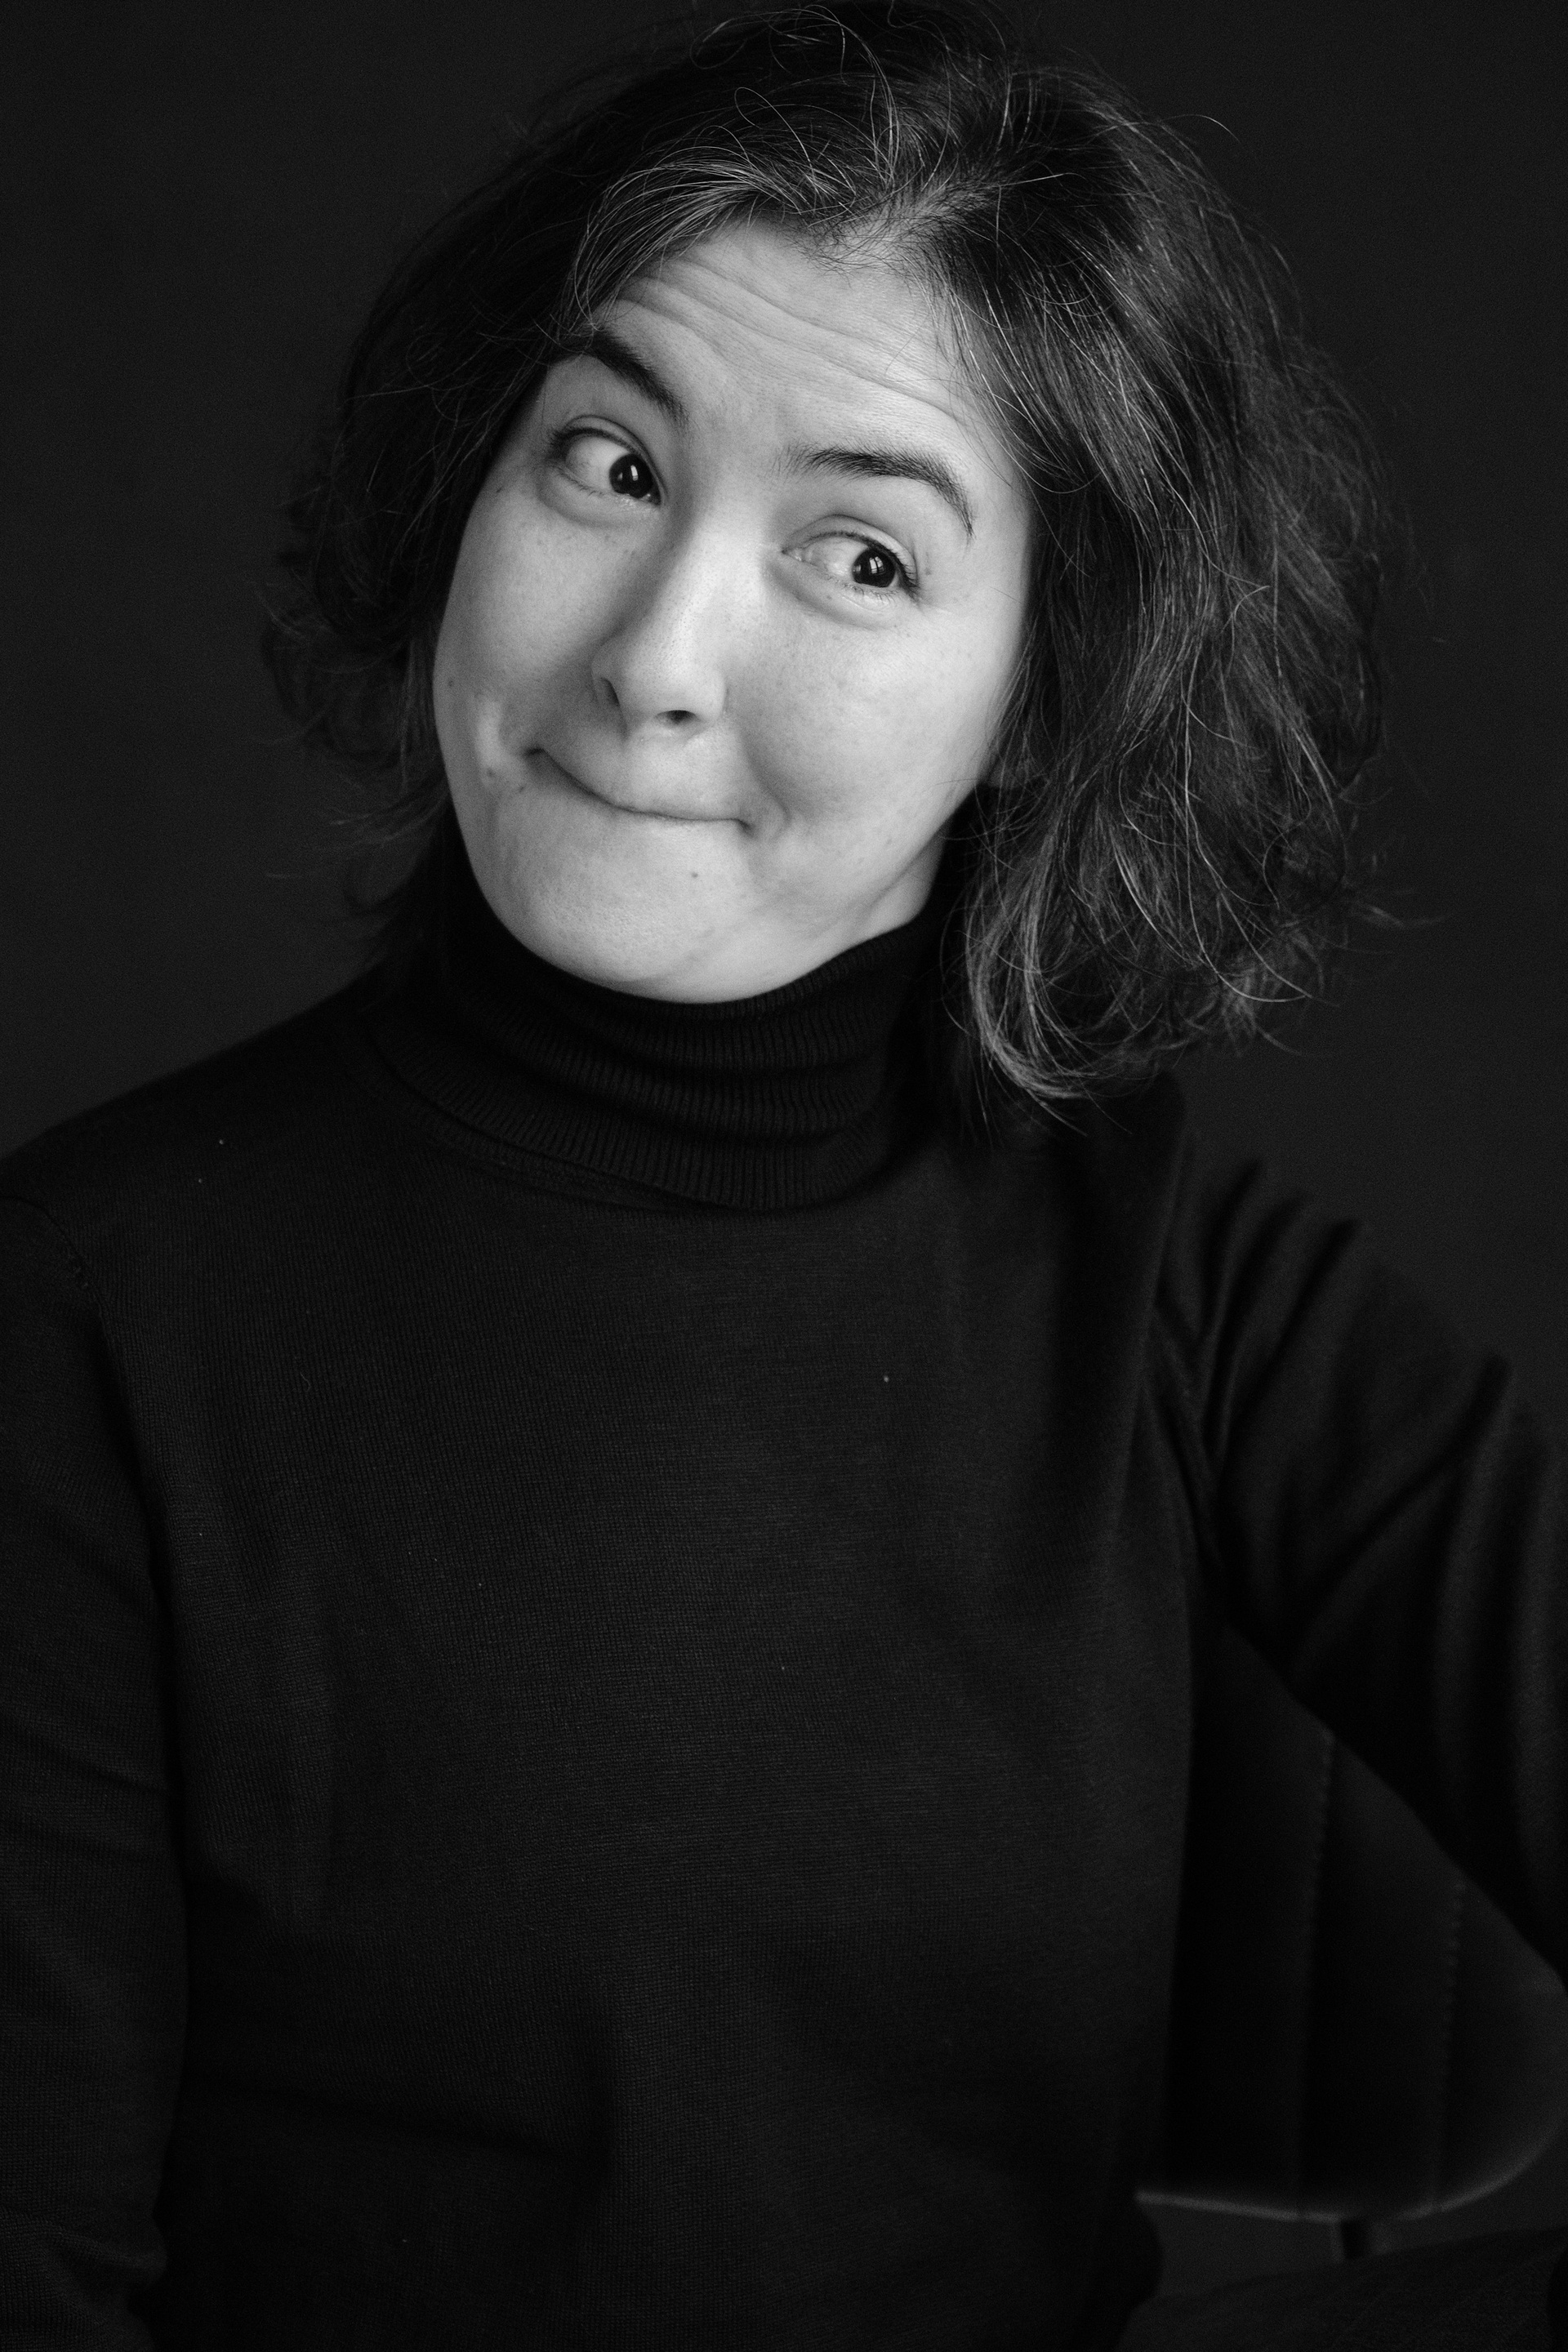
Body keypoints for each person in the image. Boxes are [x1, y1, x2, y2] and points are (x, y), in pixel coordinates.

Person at [1, 2, 1562, 2345]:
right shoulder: (82, 1323)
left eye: (858, 554)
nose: (653, 659)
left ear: (1049, 691)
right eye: (609, 461)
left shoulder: (1173, 1281)